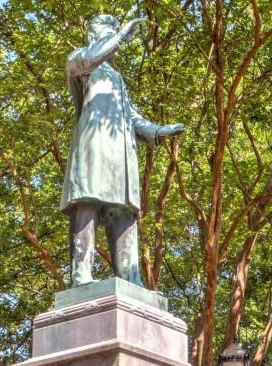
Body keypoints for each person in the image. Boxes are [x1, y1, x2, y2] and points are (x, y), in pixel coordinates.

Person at [61, 14, 184, 288]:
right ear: (93, 37)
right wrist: (119, 36)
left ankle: (130, 278)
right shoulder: (79, 61)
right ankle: (81, 276)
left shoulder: (117, 78)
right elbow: (91, 57)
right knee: (87, 202)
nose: (114, 41)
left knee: (124, 209)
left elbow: (132, 116)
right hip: (92, 145)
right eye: (107, 35)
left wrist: (158, 130)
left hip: (121, 154)